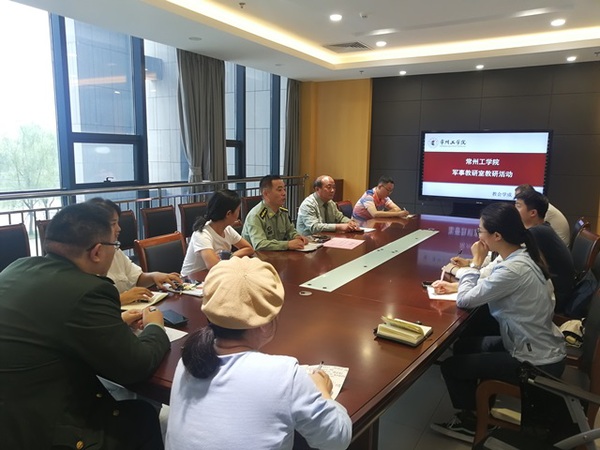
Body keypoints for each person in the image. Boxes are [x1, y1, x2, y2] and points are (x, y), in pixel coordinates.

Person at [0, 203, 170, 449]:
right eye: (115, 245)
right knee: (141, 417)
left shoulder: (17, 267)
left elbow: (51, 323)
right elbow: (136, 367)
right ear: (97, 252)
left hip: (13, 415)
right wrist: (155, 326)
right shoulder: (89, 290)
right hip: (41, 430)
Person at [165, 256, 352, 450]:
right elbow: (337, 439)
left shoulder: (189, 359)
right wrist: (322, 391)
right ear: (265, 323)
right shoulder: (285, 375)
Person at [430, 202, 565, 444]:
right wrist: (459, 282)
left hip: (534, 362)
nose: (478, 237)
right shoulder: (520, 254)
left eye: (480, 231)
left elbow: (465, 299)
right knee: (464, 346)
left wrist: (475, 262)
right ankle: (478, 405)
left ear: (497, 235)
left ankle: (470, 422)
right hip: (535, 344)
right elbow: (488, 279)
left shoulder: (513, 269)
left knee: (451, 366)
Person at [88, 198, 182, 305]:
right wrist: (120, 299)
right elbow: (89, 304)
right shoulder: (84, 261)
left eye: (118, 223)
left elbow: (136, 278)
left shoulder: (114, 249)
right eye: (113, 224)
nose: (119, 228)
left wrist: (154, 276)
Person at [515, 189, 575, 313]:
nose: (514, 209)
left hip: (555, 298)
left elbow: (514, 260)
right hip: (557, 292)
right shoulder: (542, 228)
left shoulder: (537, 232)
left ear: (533, 213)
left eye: (518, 206)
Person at [181, 189, 254, 280]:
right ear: (228, 214)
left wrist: (230, 256)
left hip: (215, 276)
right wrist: (226, 260)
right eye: (238, 210)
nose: (238, 215)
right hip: (191, 281)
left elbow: (248, 248)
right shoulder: (202, 234)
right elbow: (213, 265)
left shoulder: (227, 229)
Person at [242, 175, 309, 251]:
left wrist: (297, 237)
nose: (284, 193)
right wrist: (287, 244)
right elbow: (260, 245)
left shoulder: (283, 212)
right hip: (257, 256)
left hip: (278, 254)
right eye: (279, 190)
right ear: (266, 193)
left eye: (284, 189)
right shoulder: (255, 216)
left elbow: (290, 231)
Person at [296, 175, 360, 236]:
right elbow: (314, 227)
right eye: (329, 187)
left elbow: (340, 218)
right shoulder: (308, 204)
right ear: (317, 189)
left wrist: (350, 222)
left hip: (326, 238)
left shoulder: (330, 203)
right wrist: (338, 226)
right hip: (309, 240)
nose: (332, 190)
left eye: (334, 187)